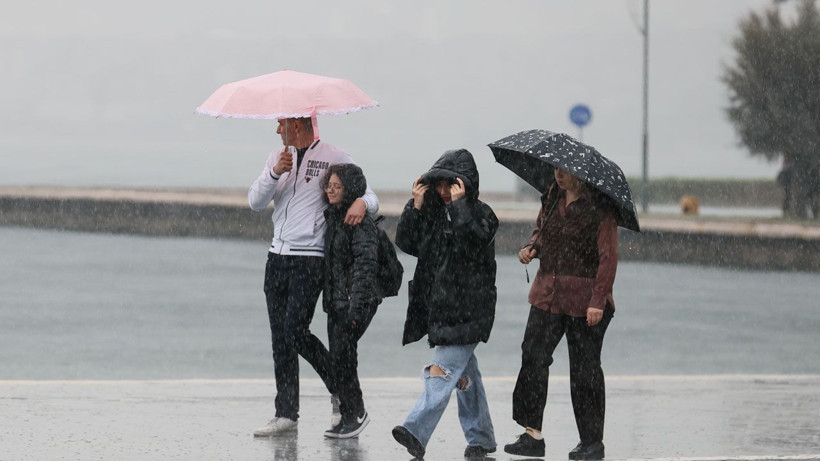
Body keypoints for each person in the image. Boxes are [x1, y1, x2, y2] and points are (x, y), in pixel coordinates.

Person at [248, 117, 379, 437]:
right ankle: (286, 413)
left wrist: (362, 201)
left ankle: (338, 388)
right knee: (280, 338)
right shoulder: (276, 158)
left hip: (309, 261)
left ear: (297, 124)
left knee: (294, 330)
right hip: (276, 258)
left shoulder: (335, 156)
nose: (277, 130)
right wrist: (275, 172)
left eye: (281, 123)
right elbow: (255, 202)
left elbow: (371, 197)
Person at [503, 167, 618, 460]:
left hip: (586, 301)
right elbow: (541, 234)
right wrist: (531, 248)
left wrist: (597, 300)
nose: (558, 176)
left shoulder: (600, 208)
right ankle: (532, 436)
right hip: (547, 294)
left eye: (565, 172)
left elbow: (608, 258)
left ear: (581, 175)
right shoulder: (551, 198)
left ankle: (592, 442)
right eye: (556, 170)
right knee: (532, 355)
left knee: (585, 371)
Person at [391, 149, 498, 459]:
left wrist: (462, 206)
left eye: (450, 185)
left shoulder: (483, 215)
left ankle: (416, 429)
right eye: (438, 185)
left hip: (469, 310)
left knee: (442, 370)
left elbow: (473, 244)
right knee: (466, 377)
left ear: (464, 184)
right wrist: (416, 205)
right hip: (440, 309)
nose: (443, 191)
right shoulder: (434, 215)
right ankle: (481, 437)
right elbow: (408, 243)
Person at [320, 163, 382, 439]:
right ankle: (348, 414)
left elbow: (365, 266)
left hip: (355, 302)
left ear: (350, 190)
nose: (330, 190)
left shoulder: (359, 222)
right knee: (341, 357)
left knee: (343, 357)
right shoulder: (334, 216)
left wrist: (356, 307)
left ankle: (356, 413)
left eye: (337, 186)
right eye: (329, 185)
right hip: (337, 301)